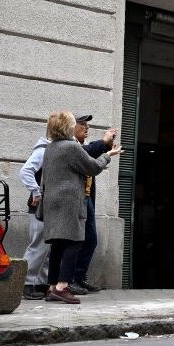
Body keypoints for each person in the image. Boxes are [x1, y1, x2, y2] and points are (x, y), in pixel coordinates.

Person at [39, 110, 122, 304]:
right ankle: (62, 286)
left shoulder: (50, 148)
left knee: (58, 244)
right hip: (69, 203)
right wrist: (108, 154)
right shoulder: (71, 147)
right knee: (75, 242)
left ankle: (52, 288)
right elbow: (92, 167)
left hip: (53, 202)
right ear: (67, 127)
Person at [70, 115, 117, 295]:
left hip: (86, 198)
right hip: (76, 199)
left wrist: (105, 147)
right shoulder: (71, 145)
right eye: (82, 125)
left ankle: (79, 278)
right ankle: (70, 280)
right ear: (71, 127)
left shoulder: (81, 146)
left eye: (87, 125)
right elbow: (88, 155)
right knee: (75, 241)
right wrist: (105, 145)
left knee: (90, 239)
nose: (86, 128)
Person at [20, 133, 52, 300]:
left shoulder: (50, 149)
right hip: (39, 207)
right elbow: (25, 171)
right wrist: (36, 192)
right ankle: (25, 284)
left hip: (46, 207)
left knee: (46, 247)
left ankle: (39, 283)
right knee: (38, 246)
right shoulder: (43, 150)